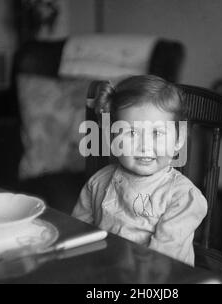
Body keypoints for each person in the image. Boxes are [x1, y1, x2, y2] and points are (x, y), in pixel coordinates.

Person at [72, 75, 207, 266]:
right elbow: (77, 234)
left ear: (179, 139)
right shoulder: (98, 182)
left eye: (157, 133)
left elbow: (162, 261)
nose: (144, 146)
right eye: (132, 133)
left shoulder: (183, 197)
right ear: (112, 139)